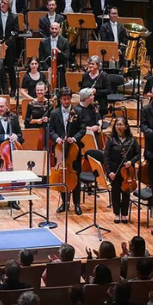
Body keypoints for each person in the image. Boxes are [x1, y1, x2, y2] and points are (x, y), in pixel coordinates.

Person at [49, 87, 86, 215]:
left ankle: (76, 204)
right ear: (60, 100)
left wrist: (74, 138)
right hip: (60, 149)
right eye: (64, 99)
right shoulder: (54, 113)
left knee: (75, 177)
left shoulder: (78, 111)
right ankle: (65, 204)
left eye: (68, 99)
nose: (66, 102)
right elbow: (51, 131)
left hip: (74, 150)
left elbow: (83, 129)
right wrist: (57, 139)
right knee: (62, 175)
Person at [0, 97, 24, 212]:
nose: (0, 109)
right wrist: (5, 137)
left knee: (13, 175)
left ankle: (12, 201)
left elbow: (21, 135)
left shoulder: (13, 118)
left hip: (9, 151)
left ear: (7, 106)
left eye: (2, 106)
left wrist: (16, 136)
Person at [104, 116, 140, 223]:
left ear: (126, 126)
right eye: (117, 124)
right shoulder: (111, 140)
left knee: (126, 192)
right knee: (115, 192)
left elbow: (138, 154)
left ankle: (124, 214)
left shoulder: (132, 140)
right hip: (114, 171)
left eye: (121, 124)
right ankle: (116, 213)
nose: (119, 126)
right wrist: (109, 171)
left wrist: (131, 162)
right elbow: (106, 157)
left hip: (128, 172)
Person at [0, 0, 19, 94]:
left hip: (9, 46)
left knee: (10, 67)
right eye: (1, 2)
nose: (2, 4)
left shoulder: (14, 17)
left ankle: (14, 88)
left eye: (5, 3)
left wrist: (6, 43)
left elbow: (15, 32)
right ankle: (0, 88)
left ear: (9, 5)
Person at [39, 22, 71, 89]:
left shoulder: (65, 41)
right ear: (49, 29)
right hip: (48, 70)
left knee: (61, 91)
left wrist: (59, 52)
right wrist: (47, 68)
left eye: (56, 29)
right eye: (52, 28)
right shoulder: (43, 42)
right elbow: (41, 58)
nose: (54, 30)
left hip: (60, 70)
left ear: (59, 30)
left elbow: (67, 57)